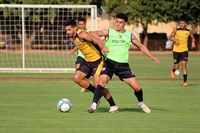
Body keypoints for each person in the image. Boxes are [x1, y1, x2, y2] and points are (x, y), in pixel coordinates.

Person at [87, 13, 160, 113]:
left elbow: (141, 47)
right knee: (101, 82)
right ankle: (94, 105)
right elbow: (92, 33)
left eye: (120, 22)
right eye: (117, 21)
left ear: (125, 23)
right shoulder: (108, 32)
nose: (117, 24)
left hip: (123, 66)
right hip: (109, 63)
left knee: (137, 88)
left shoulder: (129, 35)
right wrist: (101, 43)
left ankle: (141, 103)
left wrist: (152, 57)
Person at [65, 19, 117, 112]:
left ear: (75, 28)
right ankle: (96, 93)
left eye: (69, 30)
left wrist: (103, 47)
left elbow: (95, 39)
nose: (67, 32)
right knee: (77, 78)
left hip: (98, 61)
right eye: (66, 30)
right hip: (87, 61)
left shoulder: (82, 34)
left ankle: (113, 105)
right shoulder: (74, 36)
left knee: (98, 86)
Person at [169, 18, 195, 87]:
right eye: (180, 23)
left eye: (183, 23)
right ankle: (173, 69)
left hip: (184, 50)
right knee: (177, 66)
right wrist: (174, 39)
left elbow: (192, 37)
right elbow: (170, 37)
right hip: (176, 50)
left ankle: (185, 82)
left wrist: (193, 43)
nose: (181, 25)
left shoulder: (189, 30)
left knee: (184, 65)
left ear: (185, 24)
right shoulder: (176, 29)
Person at [71, 18, 90, 92]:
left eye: (83, 24)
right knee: (77, 68)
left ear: (85, 24)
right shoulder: (77, 33)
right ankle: (83, 84)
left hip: (89, 55)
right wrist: (74, 49)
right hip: (81, 55)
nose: (81, 26)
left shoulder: (88, 32)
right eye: (80, 24)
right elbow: (79, 44)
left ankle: (85, 84)